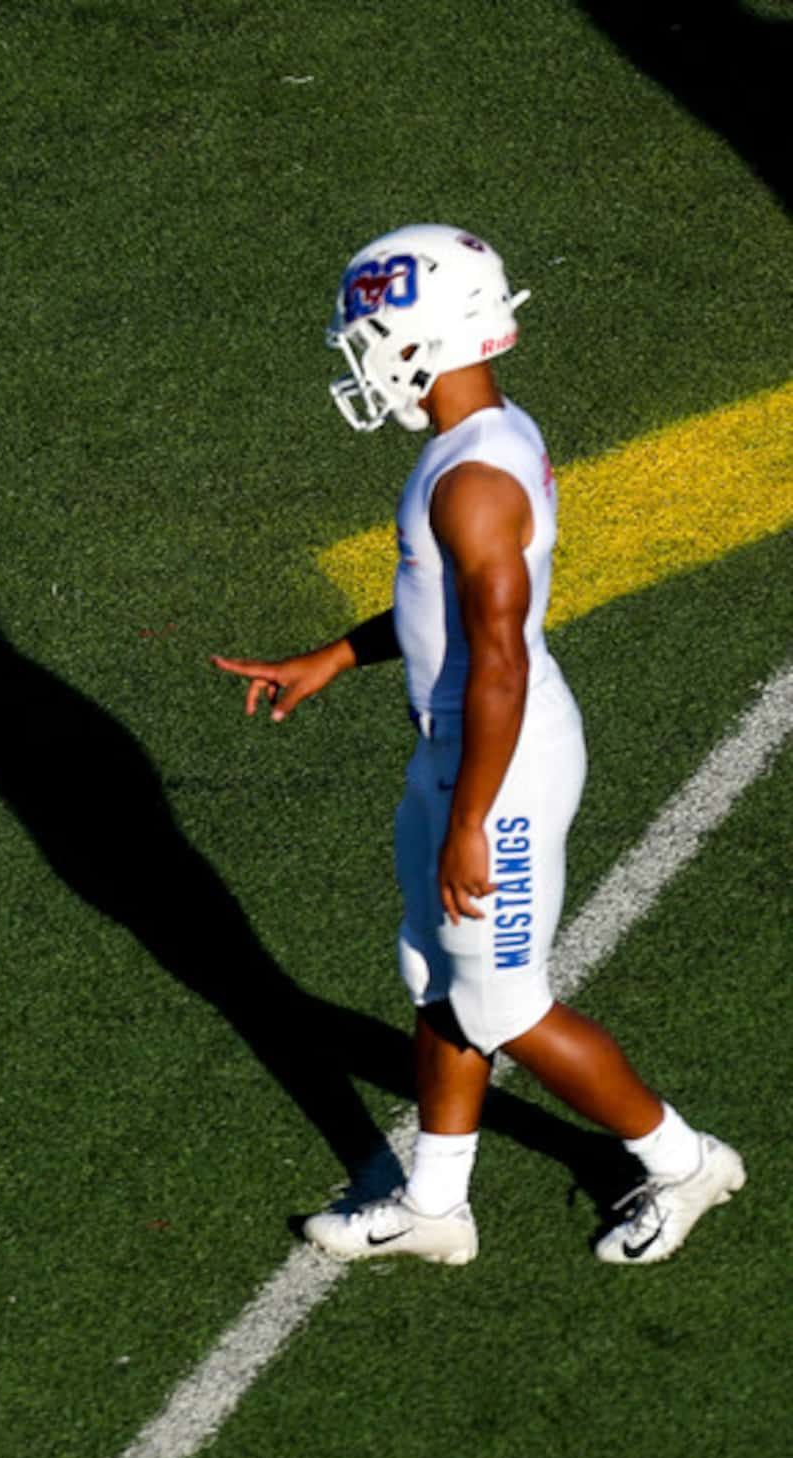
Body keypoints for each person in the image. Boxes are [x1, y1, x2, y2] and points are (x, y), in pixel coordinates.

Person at [213, 226, 743, 1267]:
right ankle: (435, 1205)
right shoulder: (468, 449)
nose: (358, 354)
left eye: (370, 333)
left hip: (495, 761)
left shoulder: (470, 480)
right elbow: (441, 614)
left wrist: (469, 823)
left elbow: (496, 660)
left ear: (427, 335)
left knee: (502, 1004)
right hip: (461, 745)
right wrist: (334, 654)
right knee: (431, 974)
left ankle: (685, 1164)